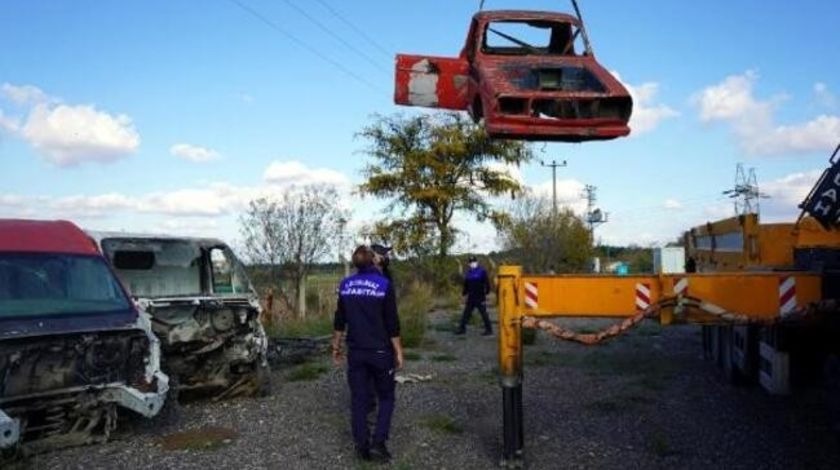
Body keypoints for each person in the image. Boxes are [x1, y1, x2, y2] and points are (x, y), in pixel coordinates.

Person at [332, 245, 404, 462]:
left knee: (359, 399)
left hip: (356, 352)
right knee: (386, 397)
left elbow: (339, 319)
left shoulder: (345, 285)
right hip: (381, 351)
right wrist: (398, 351)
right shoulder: (384, 284)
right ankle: (378, 443)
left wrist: (336, 347)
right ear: (374, 260)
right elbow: (392, 322)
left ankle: (361, 446)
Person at [455, 255, 492, 336]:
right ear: (469, 263)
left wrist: (487, 292)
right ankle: (462, 329)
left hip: (480, 297)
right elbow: (466, 285)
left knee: (484, 314)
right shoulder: (469, 273)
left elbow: (487, 283)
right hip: (471, 297)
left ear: (477, 262)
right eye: (471, 262)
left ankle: (489, 330)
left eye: (474, 262)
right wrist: (464, 294)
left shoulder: (482, 271)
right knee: (466, 314)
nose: (472, 263)